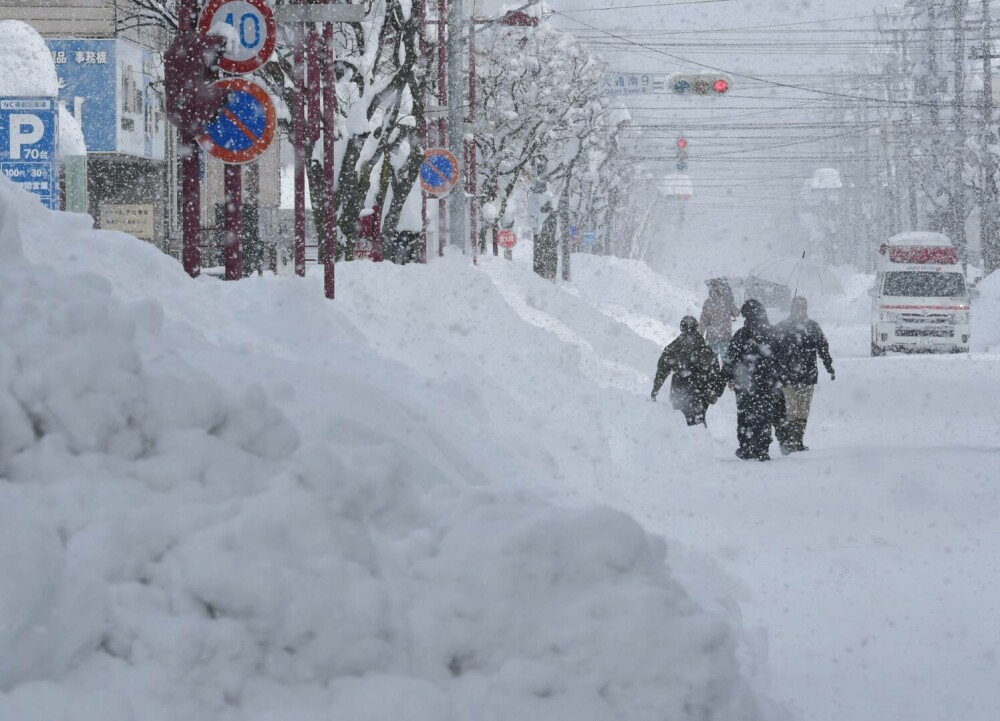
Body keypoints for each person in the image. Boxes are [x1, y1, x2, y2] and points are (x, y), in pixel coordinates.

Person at [723, 299, 783, 461]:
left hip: (745, 384)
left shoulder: (742, 335)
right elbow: (780, 358)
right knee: (763, 415)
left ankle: (747, 447)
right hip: (767, 383)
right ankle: (762, 448)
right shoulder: (772, 333)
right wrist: (780, 378)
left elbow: (731, 358)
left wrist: (728, 377)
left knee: (745, 416)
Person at [774, 296, 835, 454]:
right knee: (791, 410)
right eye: (797, 307)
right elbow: (772, 350)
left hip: (807, 377)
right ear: (791, 308)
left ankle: (797, 440)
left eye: (803, 307)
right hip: (788, 378)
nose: (800, 310)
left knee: (802, 411)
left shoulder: (812, 326)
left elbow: (823, 347)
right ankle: (789, 440)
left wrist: (829, 366)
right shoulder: (783, 327)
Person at [651, 316, 724, 427]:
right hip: (700, 391)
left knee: (680, 425)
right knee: (698, 423)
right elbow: (715, 371)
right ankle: (701, 440)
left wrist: (656, 388)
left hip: (679, 391)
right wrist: (714, 390)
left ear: (682, 328)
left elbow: (663, 369)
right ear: (696, 327)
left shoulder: (673, 347)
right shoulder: (705, 348)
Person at [700, 279, 740, 357]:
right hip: (725, 335)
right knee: (726, 360)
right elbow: (737, 313)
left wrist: (700, 335)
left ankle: (714, 368)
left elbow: (703, 321)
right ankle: (725, 368)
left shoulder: (707, 303)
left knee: (711, 359)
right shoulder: (726, 300)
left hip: (711, 336)